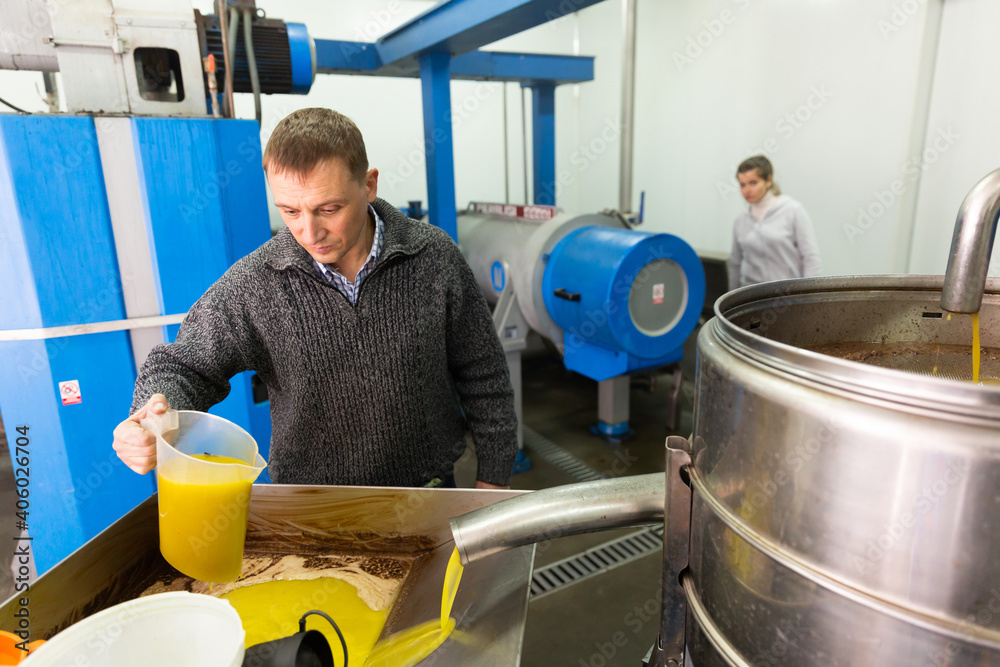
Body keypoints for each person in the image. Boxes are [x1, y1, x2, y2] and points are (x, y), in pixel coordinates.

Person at [112, 107, 517, 490]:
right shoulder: (258, 282)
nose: (309, 232)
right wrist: (152, 414)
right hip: (309, 504)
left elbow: (483, 373)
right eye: (289, 211)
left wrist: (494, 479)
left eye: (329, 208)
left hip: (428, 491)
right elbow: (184, 365)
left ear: (369, 184)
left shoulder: (433, 257)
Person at [728, 155, 822, 291]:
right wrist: (730, 301)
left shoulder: (793, 211)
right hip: (751, 298)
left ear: (768, 180)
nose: (747, 190)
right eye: (742, 185)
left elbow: (811, 258)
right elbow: (735, 264)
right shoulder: (740, 220)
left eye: (753, 183)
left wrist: (810, 296)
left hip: (788, 296)